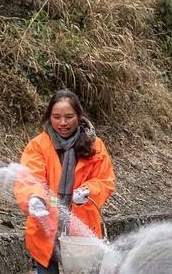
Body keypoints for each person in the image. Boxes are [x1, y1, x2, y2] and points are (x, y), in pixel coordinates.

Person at [14, 89, 115, 274]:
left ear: (79, 116)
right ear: (48, 117)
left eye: (69, 116)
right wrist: (34, 198)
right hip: (44, 226)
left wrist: (88, 190)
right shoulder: (38, 145)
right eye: (56, 117)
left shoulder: (95, 146)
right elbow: (30, 178)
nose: (62, 123)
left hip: (82, 232)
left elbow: (105, 180)